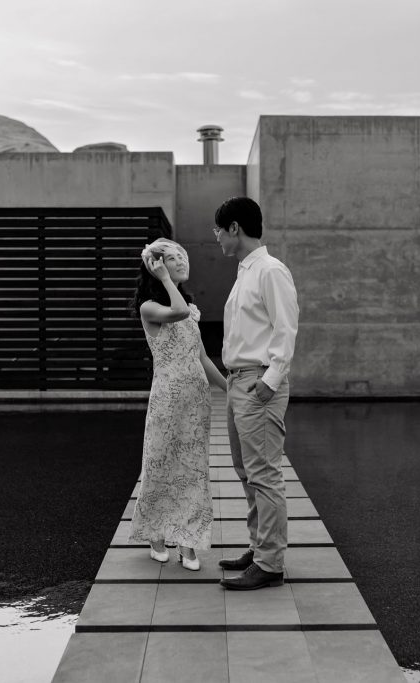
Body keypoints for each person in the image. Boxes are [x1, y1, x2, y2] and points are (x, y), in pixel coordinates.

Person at [213, 197, 299, 590]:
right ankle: (260, 547)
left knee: (264, 474)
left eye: (218, 229)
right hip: (239, 382)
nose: (215, 237)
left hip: (258, 383)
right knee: (247, 472)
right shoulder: (245, 272)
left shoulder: (270, 271)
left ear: (235, 228)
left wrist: (269, 382)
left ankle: (270, 564)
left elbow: (286, 329)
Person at [128, 238, 227, 571]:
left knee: (193, 470)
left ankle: (188, 542)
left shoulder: (191, 308)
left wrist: (228, 388)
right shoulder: (150, 308)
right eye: (172, 258)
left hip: (197, 398)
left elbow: (200, 357)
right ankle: (156, 535)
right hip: (168, 398)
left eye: (183, 255)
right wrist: (166, 281)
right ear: (157, 267)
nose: (182, 261)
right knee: (160, 464)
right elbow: (179, 311)